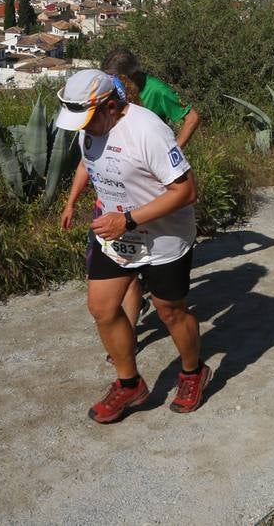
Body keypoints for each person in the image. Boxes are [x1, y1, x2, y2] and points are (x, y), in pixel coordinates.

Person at [57, 70, 209, 422]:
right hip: (117, 236)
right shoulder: (90, 129)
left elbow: (186, 192)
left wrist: (127, 219)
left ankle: (192, 372)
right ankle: (129, 385)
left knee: (170, 310)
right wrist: (80, 205)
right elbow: (89, 163)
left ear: (112, 106)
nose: (82, 127)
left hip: (163, 237)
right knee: (102, 308)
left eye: (88, 119)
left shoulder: (148, 131)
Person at [101, 48, 202, 341]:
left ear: (127, 76)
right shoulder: (112, 95)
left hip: (156, 183)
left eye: (114, 78)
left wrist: (175, 151)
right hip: (125, 180)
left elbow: (192, 117)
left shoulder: (156, 91)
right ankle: (129, 333)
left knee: (152, 275)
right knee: (129, 267)